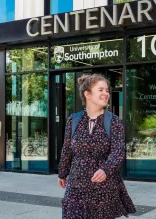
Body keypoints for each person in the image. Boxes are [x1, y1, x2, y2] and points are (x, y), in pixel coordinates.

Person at [58, 74, 136, 219]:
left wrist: (105, 169)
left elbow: (118, 151)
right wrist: (62, 173)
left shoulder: (113, 121)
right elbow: (67, 149)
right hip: (76, 185)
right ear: (87, 94)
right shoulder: (73, 120)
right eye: (101, 90)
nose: (106, 94)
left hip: (103, 187)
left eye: (107, 90)